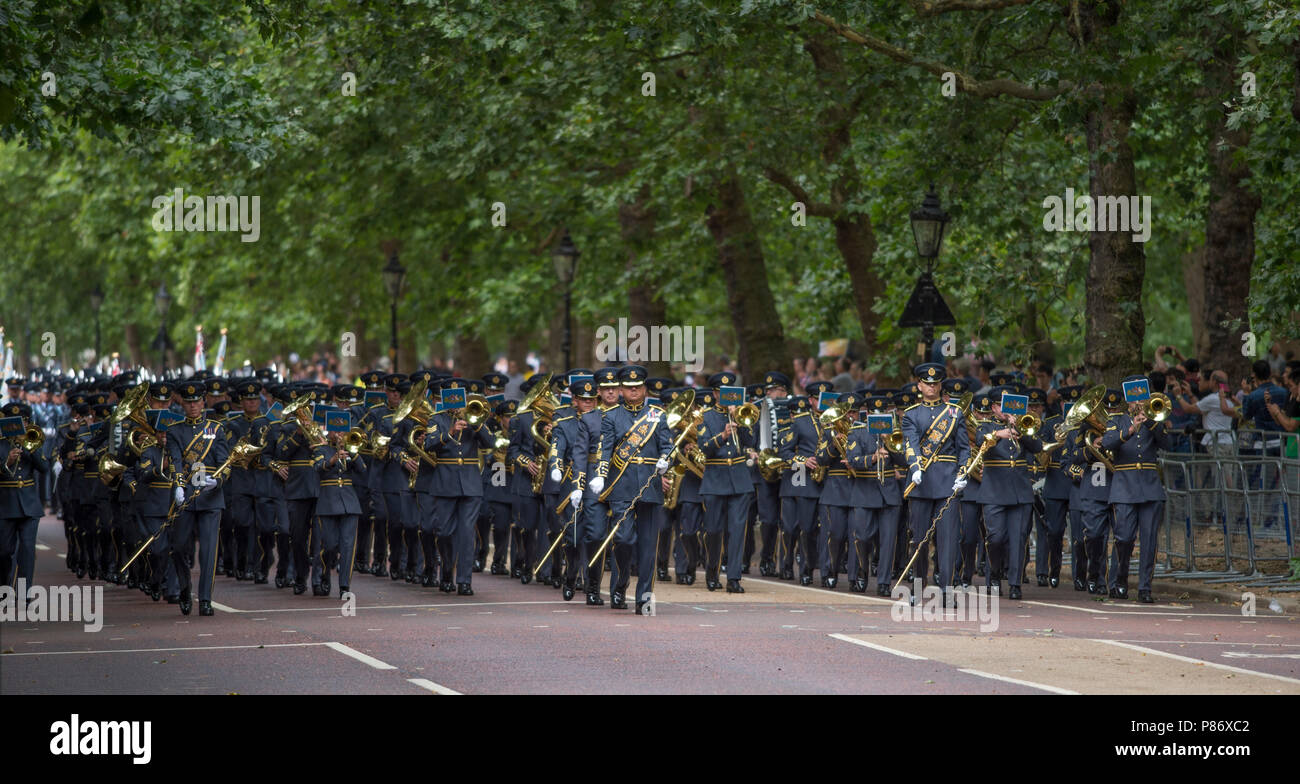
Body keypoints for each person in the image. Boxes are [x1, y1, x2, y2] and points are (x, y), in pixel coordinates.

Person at [589, 365, 672, 614]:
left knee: (648, 547)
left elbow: (667, 444)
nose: (633, 391)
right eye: (628, 387)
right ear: (622, 390)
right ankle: (620, 584)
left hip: (650, 485)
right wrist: (601, 475)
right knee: (623, 539)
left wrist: (666, 459)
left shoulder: (657, 415)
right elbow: (604, 449)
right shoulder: (612, 416)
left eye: (638, 387)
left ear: (645, 389)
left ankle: (645, 598)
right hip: (621, 485)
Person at [899, 363, 970, 603]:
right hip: (921, 482)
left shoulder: (954, 413)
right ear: (919, 385)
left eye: (935, 383)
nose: (931, 387)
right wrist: (915, 467)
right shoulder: (911, 414)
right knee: (918, 539)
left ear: (940, 385)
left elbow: (963, 448)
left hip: (948, 481)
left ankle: (947, 589)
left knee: (948, 538)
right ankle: (918, 587)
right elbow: (910, 444)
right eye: (927, 383)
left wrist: (963, 472)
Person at [165, 379, 232, 616]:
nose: (193, 406)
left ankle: (205, 599)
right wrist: (178, 487)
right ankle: (185, 588)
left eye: (197, 401)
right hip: (186, 498)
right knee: (180, 548)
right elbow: (174, 461)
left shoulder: (216, 429)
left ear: (203, 402)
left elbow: (225, 462)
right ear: (182, 403)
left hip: (210, 497)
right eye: (189, 402)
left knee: (208, 551)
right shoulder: (175, 431)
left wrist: (218, 480)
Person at [1100, 376, 1169, 603]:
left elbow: (1167, 443)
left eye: (1142, 397)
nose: (1138, 402)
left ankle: (1144, 588)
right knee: (1124, 538)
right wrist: (1130, 429)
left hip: (1149, 486)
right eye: (1134, 398)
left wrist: (1149, 421)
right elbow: (1108, 443)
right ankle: (1119, 581)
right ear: (1127, 400)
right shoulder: (1116, 420)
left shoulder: (1155, 420)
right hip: (1124, 486)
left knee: (1149, 540)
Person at [424, 379, 496, 595]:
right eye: (452, 397)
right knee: (444, 531)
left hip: (471, 483)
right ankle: (447, 572)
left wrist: (476, 423)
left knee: (467, 533)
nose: (457, 402)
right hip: (445, 482)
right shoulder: (436, 419)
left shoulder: (476, 417)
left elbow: (489, 443)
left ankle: (465, 581)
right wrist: (451, 432)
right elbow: (430, 445)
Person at [696, 372, 755, 593]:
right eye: (723, 393)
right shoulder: (706, 416)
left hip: (739, 478)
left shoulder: (740, 414)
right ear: (714, 394)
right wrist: (722, 435)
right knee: (713, 530)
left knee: (738, 530)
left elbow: (751, 441)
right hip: (715, 477)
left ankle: (734, 577)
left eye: (731, 393)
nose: (727, 397)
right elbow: (703, 446)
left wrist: (739, 420)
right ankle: (712, 572)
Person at [571, 367, 621, 605]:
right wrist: (578, 485)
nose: (611, 392)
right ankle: (592, 586)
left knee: (622, 538)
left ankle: (618, 591)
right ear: (599, 392)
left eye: (614, 388)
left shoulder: (628, 416)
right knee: (596, 534)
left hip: (621, 480)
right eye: (606, 389)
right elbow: (580, 454)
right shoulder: (589, 419)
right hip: (593, 482)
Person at [311, 423, 367, 598]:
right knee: (328, 545)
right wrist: (333, 459)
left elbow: (363, 470)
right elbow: (317, 467)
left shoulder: (351, 448)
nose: (339, 434)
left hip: (349, 502)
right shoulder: (321, 449)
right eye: (336, 431)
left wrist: (352, 451)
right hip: (328, 501)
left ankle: (344, 585)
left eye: (342, 431)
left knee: (348, 546)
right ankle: (323, 576)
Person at [1, 402, 51, 593]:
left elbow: (45, 468)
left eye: (24, 420)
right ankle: (4, 587)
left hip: (29, 505)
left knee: (27, 550)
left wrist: (31, 449)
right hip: (5, 504)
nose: (21, 425)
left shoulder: (33, 441)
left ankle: (24, 592)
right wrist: (7, 461)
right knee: (4, 551)